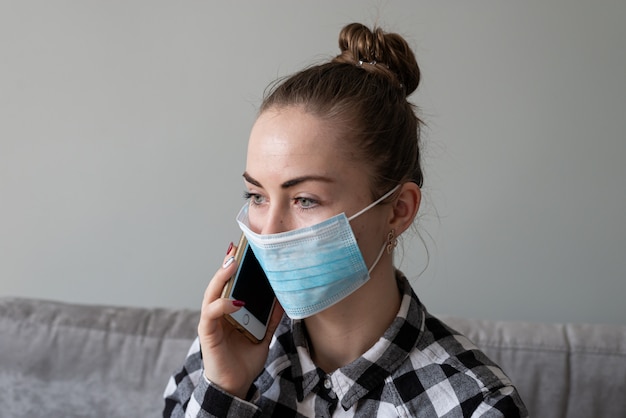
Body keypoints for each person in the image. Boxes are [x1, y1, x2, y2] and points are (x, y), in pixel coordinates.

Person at [163, 22, 528, 417]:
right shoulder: (218, 350)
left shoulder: (476, 404)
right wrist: (224, 391)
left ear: (399, 209)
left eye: (304, 199)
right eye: (256, 196)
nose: (266, 233)